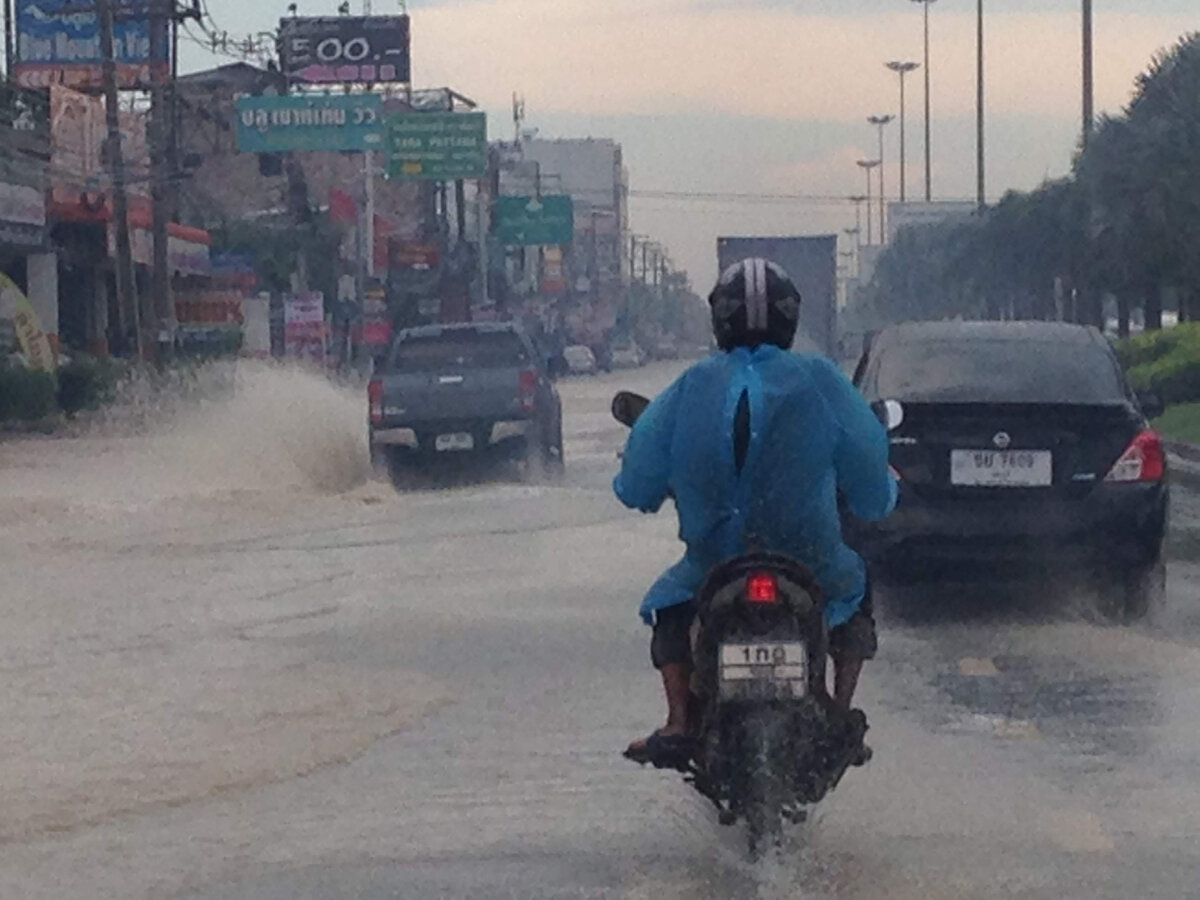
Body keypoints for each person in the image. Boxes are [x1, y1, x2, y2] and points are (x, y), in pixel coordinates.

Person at [614, 258, 897, 764]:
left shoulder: (690, 384)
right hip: (810, 558)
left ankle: (679, 719)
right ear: (790, 320)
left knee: (670, 608)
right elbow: (869, 462)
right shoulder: (820, 379)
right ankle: (838, 707)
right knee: (856, 592)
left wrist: (646, 492)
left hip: (714, 561)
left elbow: (637, 480)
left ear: (719, 321)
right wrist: (876, 500)